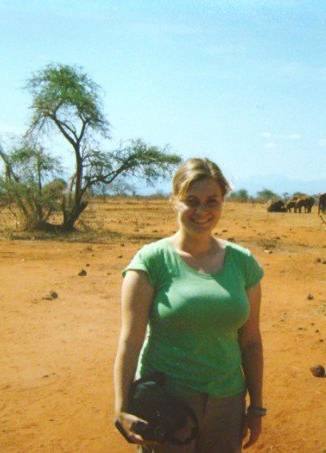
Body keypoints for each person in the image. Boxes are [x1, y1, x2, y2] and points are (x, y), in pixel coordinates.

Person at [114, 158, 265, 452]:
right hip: (167, 402)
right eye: (191, 201)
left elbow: (251, 342)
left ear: (223, 202)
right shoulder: (150, 262)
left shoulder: (243, 263)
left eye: (212, 201)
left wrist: (256, 406)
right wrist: (121, 407)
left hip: (228, 401)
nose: (202, 211)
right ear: (174, 201)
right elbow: (130, 340)